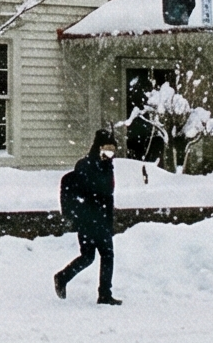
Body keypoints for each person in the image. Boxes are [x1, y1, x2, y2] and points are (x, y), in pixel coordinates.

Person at [55, 129, 122, 305]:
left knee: (95, 256)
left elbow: (108, 195)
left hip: (100, 219)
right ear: (98, 148)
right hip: (89, 219)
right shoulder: (86, 165)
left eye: (113, 150)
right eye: (107, 149)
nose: (110, 154)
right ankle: (101, 293)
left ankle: (65, 278)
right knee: (99, 255)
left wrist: (108, 219)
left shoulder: (107, 166)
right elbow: (95, 191)